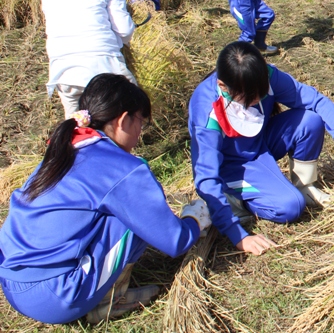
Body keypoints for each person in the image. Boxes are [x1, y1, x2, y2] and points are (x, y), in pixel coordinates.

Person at [0, 74, 209, 325]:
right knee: (133, 217)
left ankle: (98, 288)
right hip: (55, 298)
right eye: (140, 123)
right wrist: (195, 220)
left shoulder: (67, 146)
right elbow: (176, 242)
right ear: (123, 120)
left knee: (121, 210)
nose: (139, 133)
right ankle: (110, 300)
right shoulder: (121, 169)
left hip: (12, 282)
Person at [188, 42, 334, 255]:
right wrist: (237, 235)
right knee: (290, 206)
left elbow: (316, 101)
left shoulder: (267, 75)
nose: (257, 100)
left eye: (261, 94)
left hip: (261, 144)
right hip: (233, 165)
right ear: (223, 85)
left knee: (309, 121)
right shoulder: (207, 110)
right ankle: (234, 200)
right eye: (249, 97)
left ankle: (304, 185)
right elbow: (206, 177)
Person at [38, 0, 137, 117]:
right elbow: (124, 30)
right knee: (130, 112)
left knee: (76, 129)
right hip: (104, 68)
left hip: (64, 72)